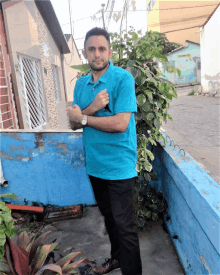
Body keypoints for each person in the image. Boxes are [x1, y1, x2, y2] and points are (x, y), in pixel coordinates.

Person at [68, 27, 142, 275]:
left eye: (102, 49)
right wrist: (93, 108)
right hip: (96, 166)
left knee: (126, 228)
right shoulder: (81, 84)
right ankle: (117, 259)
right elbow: (73, 123)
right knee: (110, 219)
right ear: (85, 53)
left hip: (119, 167)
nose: (97, 54)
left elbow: (121, 124)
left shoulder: (123, 79)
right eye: (91, 49)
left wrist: (85, 118)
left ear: (110, 51)